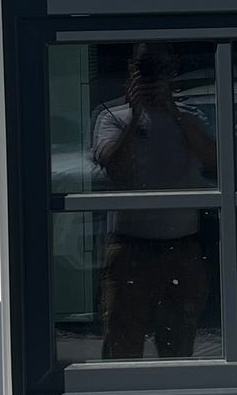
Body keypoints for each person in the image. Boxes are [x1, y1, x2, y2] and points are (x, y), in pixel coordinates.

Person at [90, 42, 218, 359]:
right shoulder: (112, 116)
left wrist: (172, 111)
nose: (149, 77)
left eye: (157, 69)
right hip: (129, 245)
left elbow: (214, 160)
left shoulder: (190, 115)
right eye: (143, 68)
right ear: (130, 71)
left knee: (179, 340)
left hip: (182, 245)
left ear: (171, 73)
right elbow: (113, 167)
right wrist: (135, 117)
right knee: (122, 338)